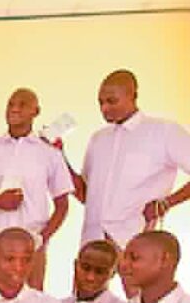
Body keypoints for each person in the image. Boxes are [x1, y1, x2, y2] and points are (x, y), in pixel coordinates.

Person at [63, 70, 190, 250]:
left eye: (112, 101)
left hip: (135, 242)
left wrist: (167, 203)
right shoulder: (98, 139)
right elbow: (85, 195)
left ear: (133, 96)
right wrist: (59, 156)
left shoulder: (164, 131)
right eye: (100, 102)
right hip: (92, 243)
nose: (104, 108)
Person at [0, 88, 73, 290]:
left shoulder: (50, 154)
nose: (14, 109)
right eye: (11, 104)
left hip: (31, 247)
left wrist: (41, 239)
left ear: (36, 111)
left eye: (22, 105)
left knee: (32, 302)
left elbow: (62, 204)